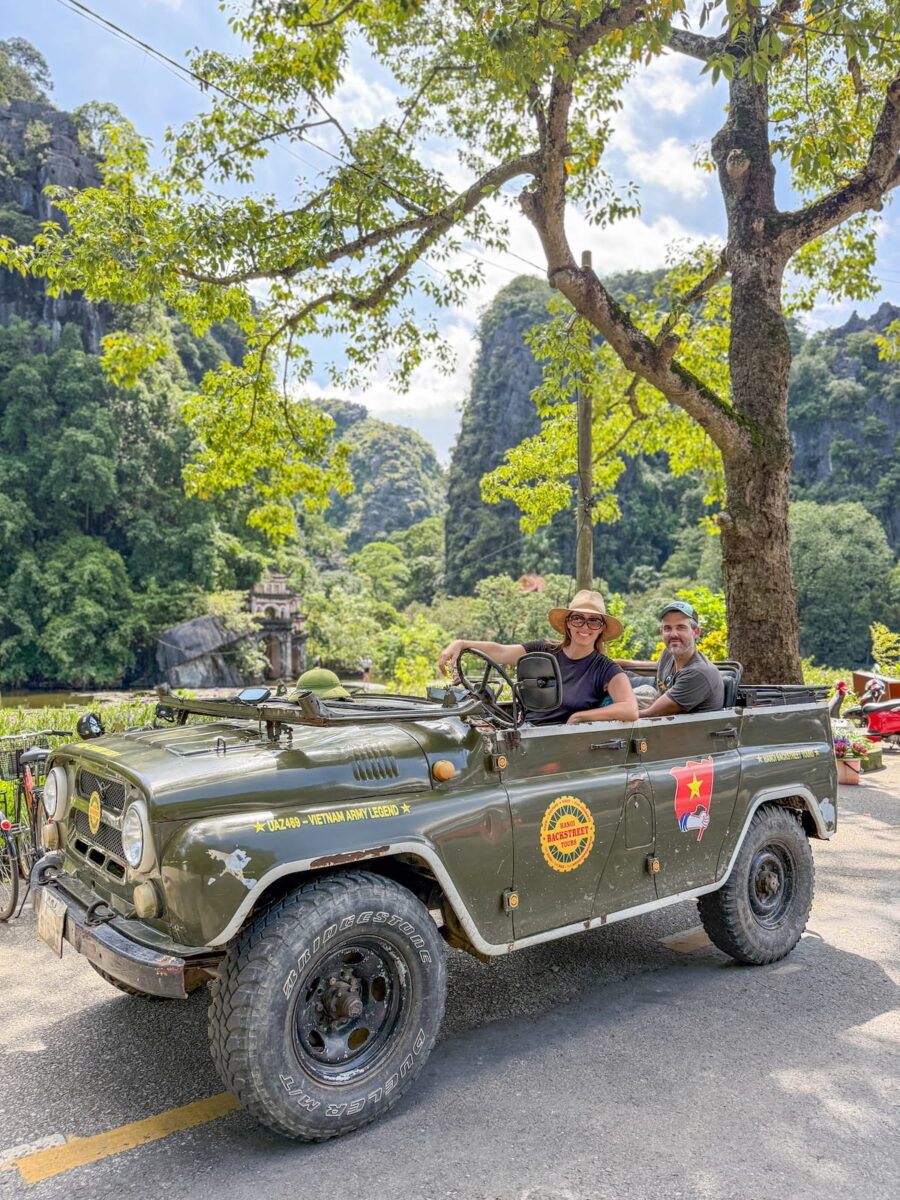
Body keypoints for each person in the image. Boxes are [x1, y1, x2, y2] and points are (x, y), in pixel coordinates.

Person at [437, 589, 638, 725]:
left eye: (593, 621)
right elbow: (500, 652)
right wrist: (462, 644)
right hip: (524, 730)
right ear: (568, 622)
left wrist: (580, 717)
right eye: (578, 619)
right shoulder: (543, 649)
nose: (585, 627)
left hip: (559, 743)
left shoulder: (604, 668)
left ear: (601, 628)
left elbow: (630, 709)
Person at [641, 601, 725, 716]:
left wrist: (610, 714)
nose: (673, 634)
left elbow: (651, 714)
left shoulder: (698, 672)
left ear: (696, 632)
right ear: (661, 632)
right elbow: (653, 668)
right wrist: (617, 665)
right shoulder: (668, 654)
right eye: (667, 628)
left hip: (691, 732)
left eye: (681, 628)